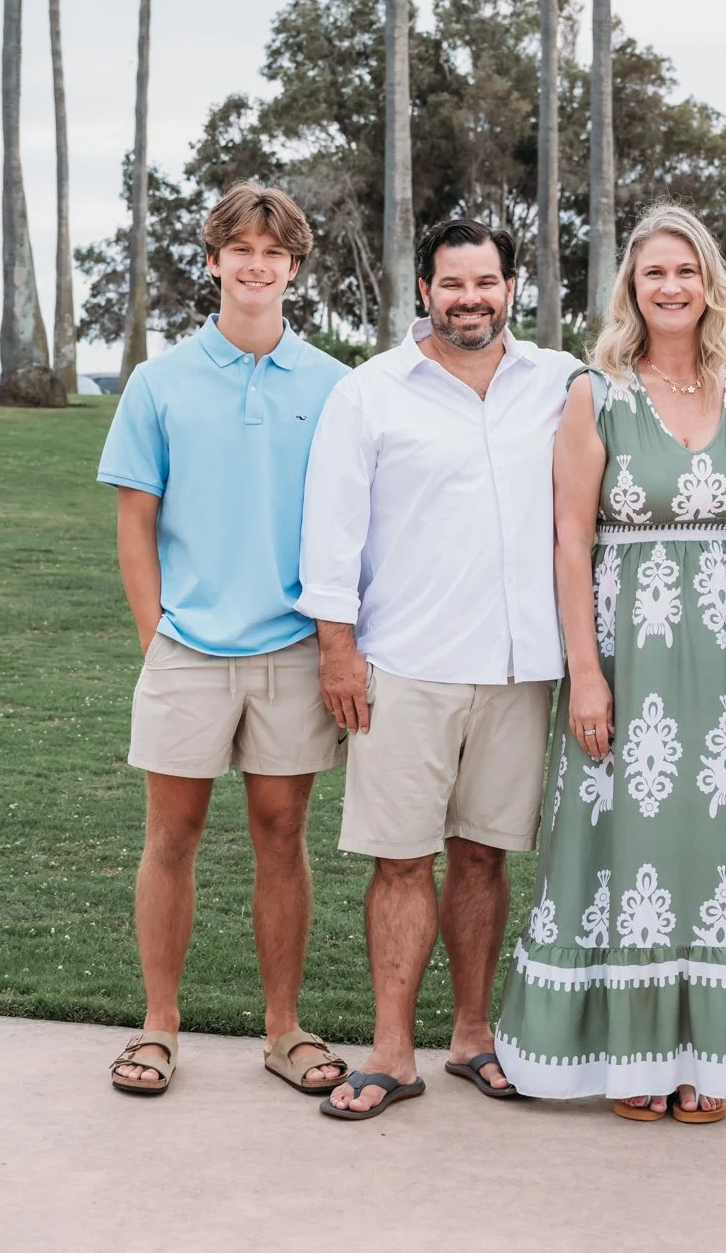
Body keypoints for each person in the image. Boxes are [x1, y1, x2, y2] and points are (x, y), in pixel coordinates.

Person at [495, 205, 726, 1121]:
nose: (670, 287)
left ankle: (700, 1056)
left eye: (686, 272)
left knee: (717, 848)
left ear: (709, 286)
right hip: (624, 651)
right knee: (618, 845)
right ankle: (628, 1057)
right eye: (654, 272)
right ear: (631, 286)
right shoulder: (596, 392)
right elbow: (570, 540)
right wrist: (585, 670)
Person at [299, 219, 576, 1119]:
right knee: (400, 863)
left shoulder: (559, 384)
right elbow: (331, 533)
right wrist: (337, 651)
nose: (470, 300)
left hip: (515, 667)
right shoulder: (370, 393)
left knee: (485, 858)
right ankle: (390, 1053)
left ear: (510, 289)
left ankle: (469, 1038)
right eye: (452, 284)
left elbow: (666, 392)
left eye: (486, 283)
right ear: (424, 289)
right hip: (404, 664)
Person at [99, 184, 351, 1100]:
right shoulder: (159, 381)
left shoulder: (332, 385)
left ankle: (283, 1030)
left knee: (282, 836)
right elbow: (136, 524)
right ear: (213, 262)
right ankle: (158, 1026)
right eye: (239, 249)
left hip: (291, 647)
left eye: (273, 252)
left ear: (293, 268)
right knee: (172, 834)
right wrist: (156, 636)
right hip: (187, 650)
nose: (256, 264)